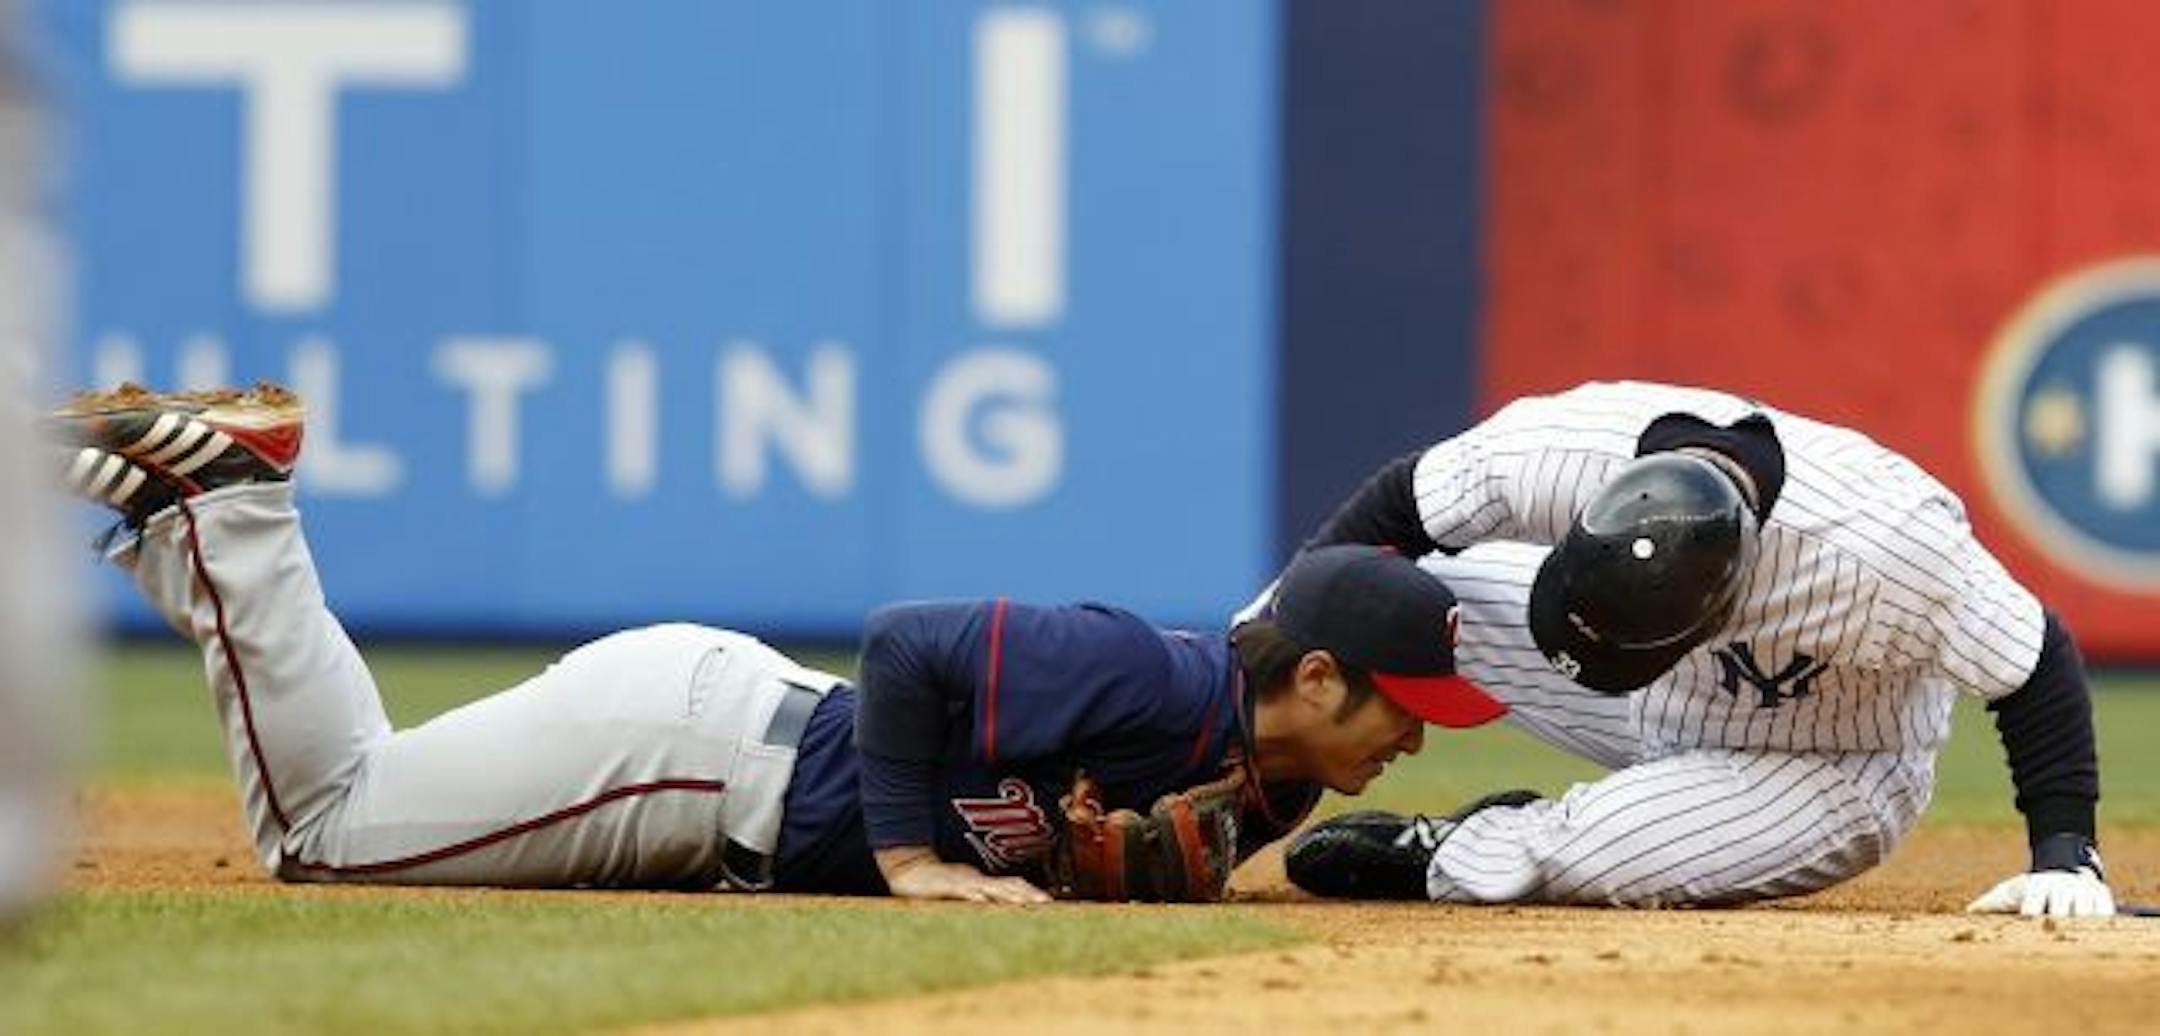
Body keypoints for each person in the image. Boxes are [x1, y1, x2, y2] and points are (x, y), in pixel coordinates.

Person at [51, 383, 1500, 902]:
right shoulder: (1159, 678)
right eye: (1407, 708)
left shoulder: (1283, 785)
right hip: (689, 762)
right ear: (1314, 676)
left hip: (713, 752)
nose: (1419, 738)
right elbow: (912, 644)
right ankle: (231, 507)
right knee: (323, 828)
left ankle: (194, 513)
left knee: (361, 784)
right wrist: (916, 861)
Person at [1281, 380, 2115, 917]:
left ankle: (1451, 852)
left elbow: (2034, 657)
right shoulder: (1565, 448)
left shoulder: (1887, 551)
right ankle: (1245, 745)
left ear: (1725, 602)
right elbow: (1399, 507)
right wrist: (1270, 643)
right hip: (1651, 685)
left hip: (1826, 768)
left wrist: (2066, 857)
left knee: (1603, 856)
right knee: (1412, 599)